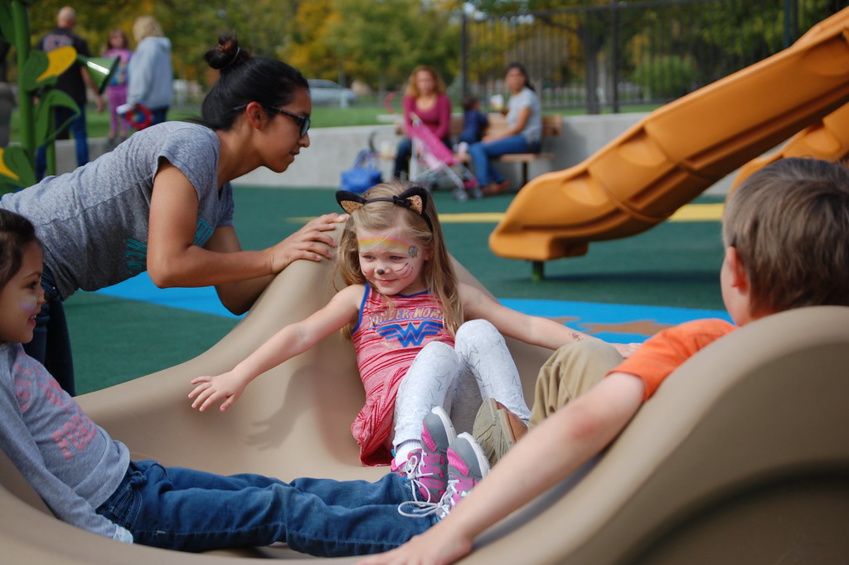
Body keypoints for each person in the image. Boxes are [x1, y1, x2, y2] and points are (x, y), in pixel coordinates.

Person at [356, 156, 849, 565]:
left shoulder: (704, 342)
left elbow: (583, 424)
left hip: (615, 517)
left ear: (735, 271)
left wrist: (457, 530)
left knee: (589, 360)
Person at [0, 207, 476, 556]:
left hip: (135, 479)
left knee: (267, 485)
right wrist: (100, 537)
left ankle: (409, 492)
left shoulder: (14, 354)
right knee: (277, 509)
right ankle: (425, 531)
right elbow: (33, 470)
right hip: (124, 513)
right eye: (30, 286)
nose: (43, 298)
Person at [189, 181, 636, 471]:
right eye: (369, 257)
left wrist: (607, 349)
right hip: (397, 417)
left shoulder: (450, 296)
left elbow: (530, 327)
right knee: (437, 352)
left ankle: (513, 441)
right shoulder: (359, 298)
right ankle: (411, 465)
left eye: (394, 257)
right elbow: (300, 333)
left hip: (455, 417)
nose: (379, 269)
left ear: (423, 252)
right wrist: (238, 373)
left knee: (478, 332)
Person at [0, 34, 345, 396]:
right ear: (256, 114)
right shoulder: (192, 145)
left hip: (41, 279)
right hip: (12, 256)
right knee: (35, 426)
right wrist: (274, 255)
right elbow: (167, 266)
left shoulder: (219, 193)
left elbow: (236, 293)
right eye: (301, 122)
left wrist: (307, 261)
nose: (305, 140)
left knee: (54, 421)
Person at [33, 6, 105, 180]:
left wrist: (36, 93)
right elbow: (86, 71)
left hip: (50, 95)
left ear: (58, 20)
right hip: (74, 94)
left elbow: (35, 67)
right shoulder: (77, 41)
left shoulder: (44, 40)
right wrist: (97, 95)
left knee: (45, 135)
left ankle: (36, 174)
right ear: (73, 22)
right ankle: (85, 175)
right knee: (80, 134)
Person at [470, 62, 542, 197]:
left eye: (518, 75)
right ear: (507, 79)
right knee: (475, 149)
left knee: (477, 148)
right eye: (512, 76)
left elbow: (519, 127)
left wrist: (494, 138)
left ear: (524, 77)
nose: (515, 78)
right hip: (519, 139)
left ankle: (484, 185)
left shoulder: (527, 96)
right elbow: (514, 117)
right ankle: (498, 181)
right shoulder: (515, 97)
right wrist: (502, 111)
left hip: (528, 141)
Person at [393, 66, 452, 180]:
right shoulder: (410, 99)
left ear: (434, 81)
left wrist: (429, 142)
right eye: (421, 80)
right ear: (416, 82)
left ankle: (431, 180)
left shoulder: (442, 99)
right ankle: (397, 179)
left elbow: (444, 127)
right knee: (403, 146)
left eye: (427, 80)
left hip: (439, 140)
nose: (424, 84)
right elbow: (408, 124)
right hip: (417, 140)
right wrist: (419, 141)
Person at [126, 16, 172, 127]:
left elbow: (143, 75)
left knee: (149, 142)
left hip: (148, 104)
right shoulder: (162, 47)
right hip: (162, 101)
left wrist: (134, 100)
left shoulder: (147, 47)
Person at [101, 28, 133, 145]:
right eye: (113, 38)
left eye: (118, 37)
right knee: (113, 110)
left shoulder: (128, 54)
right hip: (112, 87)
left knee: (125, 109)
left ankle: (124, 129)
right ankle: (113, 129)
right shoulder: (107, 55)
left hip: (124, 86)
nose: (116, 40)